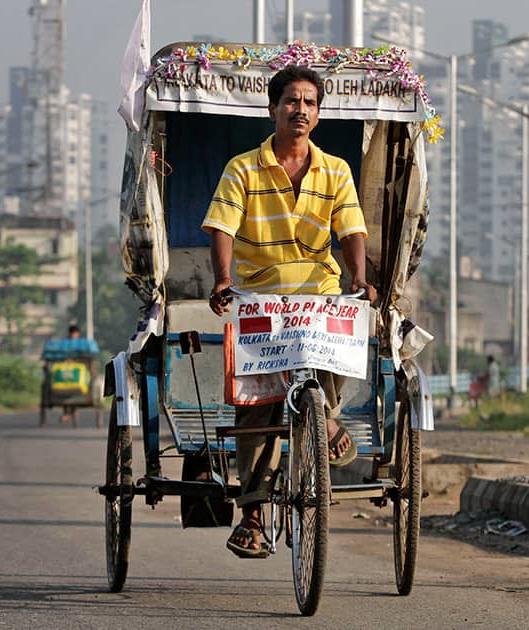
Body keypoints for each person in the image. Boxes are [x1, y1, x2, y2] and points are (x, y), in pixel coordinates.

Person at [202, 65, 377, 559]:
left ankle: (326, 416)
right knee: (256, 404)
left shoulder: (336, 170)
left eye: (310, 103)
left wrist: (358, 278)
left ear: (318, 114)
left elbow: (351, 230)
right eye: (292, 101)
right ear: (274, 108)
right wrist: (223, 279)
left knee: (347, 332)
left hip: (320, 293)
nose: (300, 110)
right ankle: (253, 513)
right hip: (261, 296)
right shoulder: (243, 168)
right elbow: (222, 227)